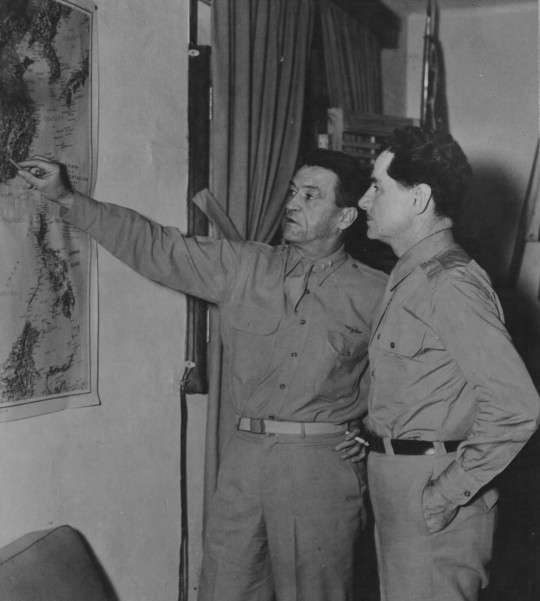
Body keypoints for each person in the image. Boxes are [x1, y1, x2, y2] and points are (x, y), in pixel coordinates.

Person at [17, 150, 387, 601]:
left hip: (320, 464)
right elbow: (156, 245)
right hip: (244, 459)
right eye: (292, 191)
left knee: (317, 592)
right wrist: (67, 197)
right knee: (224, 588)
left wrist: (373, 428)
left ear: (346, 215)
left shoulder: (378, 293)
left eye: (310, 196)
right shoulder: (244, 266)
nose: (291, 203)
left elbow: (411, 377)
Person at [357, 126, 540, 601]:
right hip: (400, 485)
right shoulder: (409, 277)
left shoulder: (450, 285)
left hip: (434, 491)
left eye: (377, 186)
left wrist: (446, 493)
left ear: (419, 199)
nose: (362, 200)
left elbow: (518, 406)